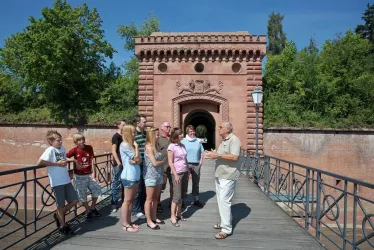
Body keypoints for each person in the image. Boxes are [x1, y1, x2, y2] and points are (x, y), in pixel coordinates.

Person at [37, 130, 79, 235]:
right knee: (60, 205)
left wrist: (72, 160)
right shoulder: (50, 150)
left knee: (75, 200)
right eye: (58, 140)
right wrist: (56, 164)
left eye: (61, 140)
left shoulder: (62, 149)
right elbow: (39, 162)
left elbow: (63, 159)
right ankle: (63, 226)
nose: (60, 142)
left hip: (66, 180)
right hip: (57, 182)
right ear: (51, 141)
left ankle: (59, 215)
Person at [205, 122, 241, 239]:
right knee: (221, 201)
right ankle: (223, 222)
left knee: (225, 201)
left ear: (227, 129)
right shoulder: (224, 141)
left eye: (220, 127)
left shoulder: (234, 140)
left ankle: (226, 229)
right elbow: (221, 154)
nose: (218, 128)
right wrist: (212, 154)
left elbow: (235, 157)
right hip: (220, 174)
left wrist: (218, 156)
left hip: (228, 175)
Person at [66, 133, 102, 220]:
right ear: (76, 142)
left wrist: (94, 173)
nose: (81, 141)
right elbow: (65, 157)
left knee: (97, 189)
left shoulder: (89, 148)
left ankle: (93, 207)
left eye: (82, 139)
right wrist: (74, 160)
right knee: (82, 194)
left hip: (89, 174)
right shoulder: (74, 150)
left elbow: (91, 160)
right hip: (79, 176)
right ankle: (88, 211)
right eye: (79, 140)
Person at [120, 125, 142, 233]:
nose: (135, 134)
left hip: (135, 175)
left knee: (131, 201)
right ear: (128, 133)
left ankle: (129, 221)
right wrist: (137, 148)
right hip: (129, 176)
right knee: (127, 201)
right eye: (133, 132)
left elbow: (139, 160)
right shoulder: (125, 145)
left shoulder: (131, 145)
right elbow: (137, 158)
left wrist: (136, 160)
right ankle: (125, 224)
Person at [144, 127, 165, 229]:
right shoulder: (149, 147)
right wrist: (163, 162)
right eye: (156, 135)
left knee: (156, 198)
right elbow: (155, 163)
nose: (158, 136)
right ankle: (148, 220)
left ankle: (154, 216)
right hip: (150, 176)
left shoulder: (156, 146)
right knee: (149, 199)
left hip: (158, 175)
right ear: (151, 136)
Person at [168, 128, 189, 227]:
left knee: (182, 194)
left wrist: (188, 171)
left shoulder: (183, 145)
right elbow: (170, 162)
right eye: (180, 134)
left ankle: (178, 214)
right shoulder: (172, 146)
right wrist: (175, 175)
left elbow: (185, 159)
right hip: (177, 173)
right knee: (176, 196)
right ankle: (172, 216)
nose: (182, 135)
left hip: (184, 172)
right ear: (176, 136)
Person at [181, 125, 204, 208]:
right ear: (187, 132)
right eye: (190, 131)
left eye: (193, 131)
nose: (192, 133)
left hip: (196, 164)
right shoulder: (183, 141)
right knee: (184, 182)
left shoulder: (198, 141)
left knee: (196, 182)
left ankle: (196, 200)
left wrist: (201, 162)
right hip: (185, 164)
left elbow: (202, 152)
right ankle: (182, 200)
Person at [132, 114, 147, 219]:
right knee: (139, 188)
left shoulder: (146, 133)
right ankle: (136, 210)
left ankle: (142, 208)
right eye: (144, 122)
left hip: (146, 163)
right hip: (138, 164)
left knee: (144, 187)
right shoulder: (134, 134)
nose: (146, 123)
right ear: (138, 122)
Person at [111, 120, 126, 212]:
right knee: (116, 182)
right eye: (123, 125)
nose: (125, 126)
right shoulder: (116, 137)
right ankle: (114, 203)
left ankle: (124, 200)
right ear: (118, 126)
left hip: (125, 163)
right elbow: (113, 150)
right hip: (119, 164)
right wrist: (118, 162)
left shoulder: (124, 136)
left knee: (124, 182)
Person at [157, 121, 172, 211]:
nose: (169, 128)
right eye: (167, 127)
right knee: (160, 187)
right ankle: (158, 203)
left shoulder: (172, 138)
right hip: (162, 167)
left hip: (172, 166)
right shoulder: (159, 139)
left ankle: (171, 202)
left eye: (169, 127)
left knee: (173, 185)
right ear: (162, 128)